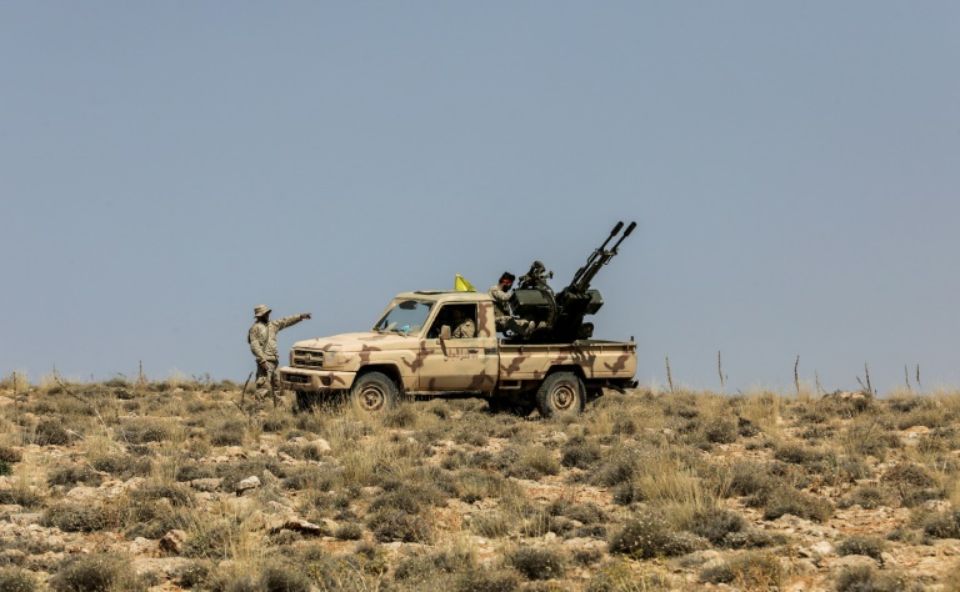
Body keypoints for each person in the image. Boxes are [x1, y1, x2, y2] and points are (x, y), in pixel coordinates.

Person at [248, 304, 311, 401]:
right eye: (265, 313)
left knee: (278, 387)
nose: (267, 315)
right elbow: (254, 346)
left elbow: (285, 321)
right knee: (263, 387)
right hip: (265, 361)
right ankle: (259, 409)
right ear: (260, 315)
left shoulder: (273, 325)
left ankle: (279, 409)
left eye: (267, 313)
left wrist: (300, 317)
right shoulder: (255, 328)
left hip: (275, 360)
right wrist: (262, 360)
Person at [489, 272, 536, 336]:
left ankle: (528, 329)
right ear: (505, 281)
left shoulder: (503, 294)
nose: (510, 287)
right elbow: (505, 297)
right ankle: (525, 333)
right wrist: (518, 291)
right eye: (510, 285)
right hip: (494, 322)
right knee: (509, 319)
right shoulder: (494, 289)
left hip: (502, 321)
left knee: (527, 319)